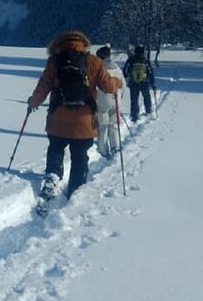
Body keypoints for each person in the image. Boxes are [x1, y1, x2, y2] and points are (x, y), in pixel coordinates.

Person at [27, 31, 121, 200]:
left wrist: (33, 103)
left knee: (55, 149)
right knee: (79, 156)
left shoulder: (54, 62)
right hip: (84, 122)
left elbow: (43, 86)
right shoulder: (94, 61)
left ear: (59, 44)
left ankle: (52, 178)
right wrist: (117, 83)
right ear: (84, 44)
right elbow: (108, 86)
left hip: (58, 119)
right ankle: (76, 191)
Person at [94, 45, 125, 159]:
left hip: (102, 103)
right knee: (114, 126)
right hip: (116, 102)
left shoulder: (100, 69)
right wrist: (120, 99)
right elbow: (123, 85)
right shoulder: (117, 69)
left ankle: (103, 151)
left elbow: (94, 87)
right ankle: (115, 147)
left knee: (102, 128)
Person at [123, 45, 155, 122]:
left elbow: (125, 70)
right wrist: (152, 83)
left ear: (135, 51)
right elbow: (150, 72)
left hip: (133, 83)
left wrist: (127, 78)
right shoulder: (145, 60)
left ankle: (134, 115)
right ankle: (149, 112)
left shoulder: (131, 60)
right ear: (143, 52)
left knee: (134, 99)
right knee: (146, 97)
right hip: (144, 82)